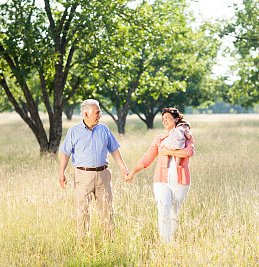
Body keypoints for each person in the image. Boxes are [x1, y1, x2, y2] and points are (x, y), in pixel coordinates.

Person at [59, 99, 128, 237]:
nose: (100, 115)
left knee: (107, 210)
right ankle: (83, 244)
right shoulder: (74, 131)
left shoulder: (104, 129)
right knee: (82, 211)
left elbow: (114, 149)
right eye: (97, 113)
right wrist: (62, 173)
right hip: (83, 176)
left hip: (103, 175)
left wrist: (123, 168)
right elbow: (65, 154)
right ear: (86, 114)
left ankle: (109, 243)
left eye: (100, 112)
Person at [124, 107, 194, 243]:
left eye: (168, 118)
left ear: (176, 119)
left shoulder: (185, 134)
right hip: (161, 181)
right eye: (163, 119)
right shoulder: (160, 139)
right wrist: (132, 172)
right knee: (163, 212)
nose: (165, 121)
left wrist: (168, 152)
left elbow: (189, 152)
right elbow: (147, 158)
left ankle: (172, 240)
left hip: (181, 181)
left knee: (174, 213)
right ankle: (165, 243)